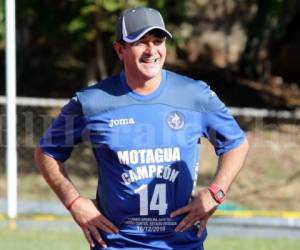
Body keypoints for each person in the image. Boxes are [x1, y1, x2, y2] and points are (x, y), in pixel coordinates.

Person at [35, 6, 249, 250]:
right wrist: (74, 202)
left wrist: (215, 193)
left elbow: (236, 144)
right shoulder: (92, 101)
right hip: (117, 244)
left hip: (181, 244)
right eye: (140, 42)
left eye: (158, 41)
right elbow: (47, 152)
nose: (152, 51)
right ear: (120, 49)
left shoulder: (194, 95)